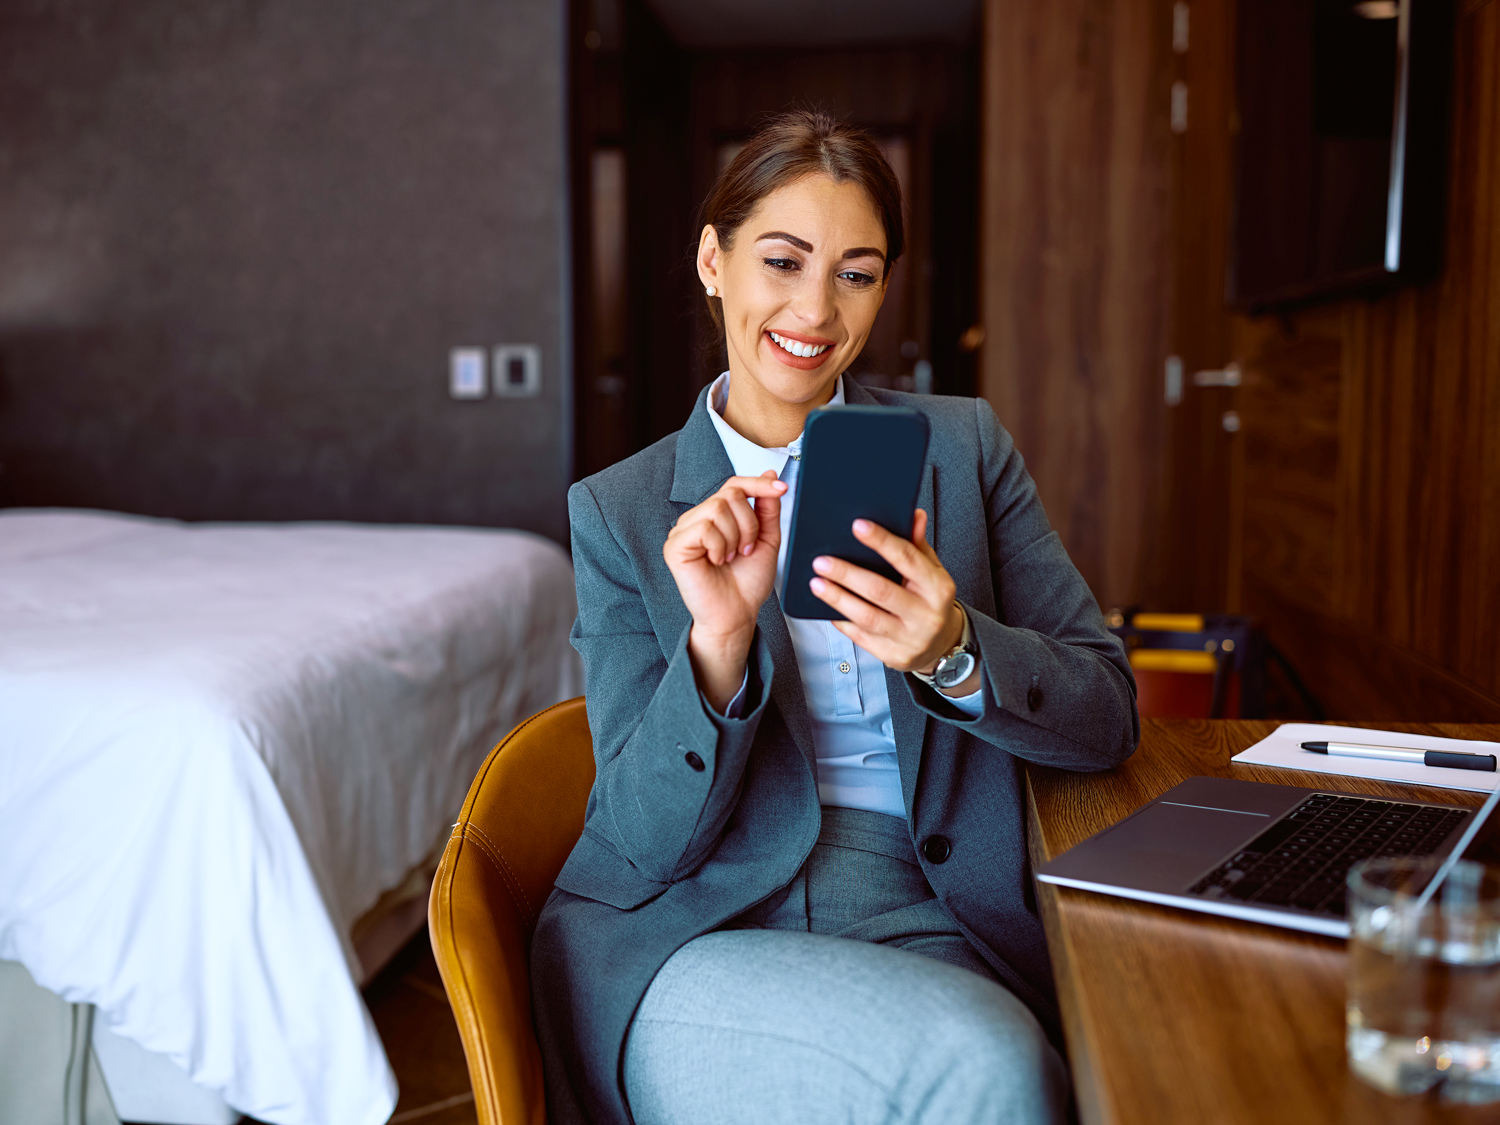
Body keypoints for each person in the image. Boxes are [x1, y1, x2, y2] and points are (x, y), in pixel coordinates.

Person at [531, 109, 1138, 1125]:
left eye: (855, 272)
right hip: (702, 923)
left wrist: (954, 653)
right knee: (986, 1072)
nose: (814, 308)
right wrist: (717, 648)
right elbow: (641, 839)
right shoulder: (622, 509)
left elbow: (1106, 713)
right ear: (712, 262)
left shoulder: (961, 449)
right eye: (782, 260)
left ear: (883, 289)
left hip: (936, 896)